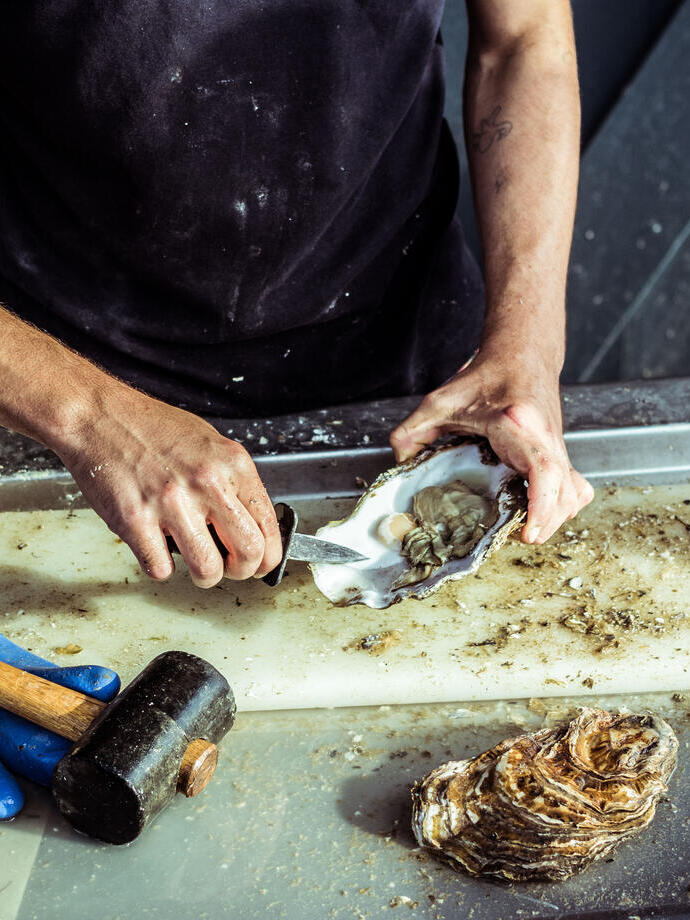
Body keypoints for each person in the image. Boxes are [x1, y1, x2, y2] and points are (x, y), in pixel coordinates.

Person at [0, 0, 593, 590]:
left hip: (418, 389)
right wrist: (89, 418)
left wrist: (529, 344)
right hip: (62, 395)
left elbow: (524, 39)